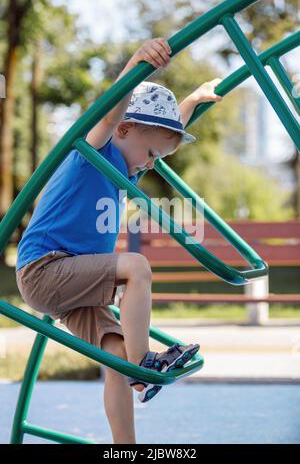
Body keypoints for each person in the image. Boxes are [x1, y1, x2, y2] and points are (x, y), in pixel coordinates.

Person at [15, 37, 223, 444]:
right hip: (45, 270)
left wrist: (193, 100)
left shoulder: (126, 168)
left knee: (113, 357)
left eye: (154, 160)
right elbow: (112, 115)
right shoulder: (90, 152)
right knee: (136, 267)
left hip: (75, 283)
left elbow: (154, 135)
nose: (149, 163)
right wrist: (135, 63)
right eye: (149, 154)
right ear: (125, 129)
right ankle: (143, 363)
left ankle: (125, 446)